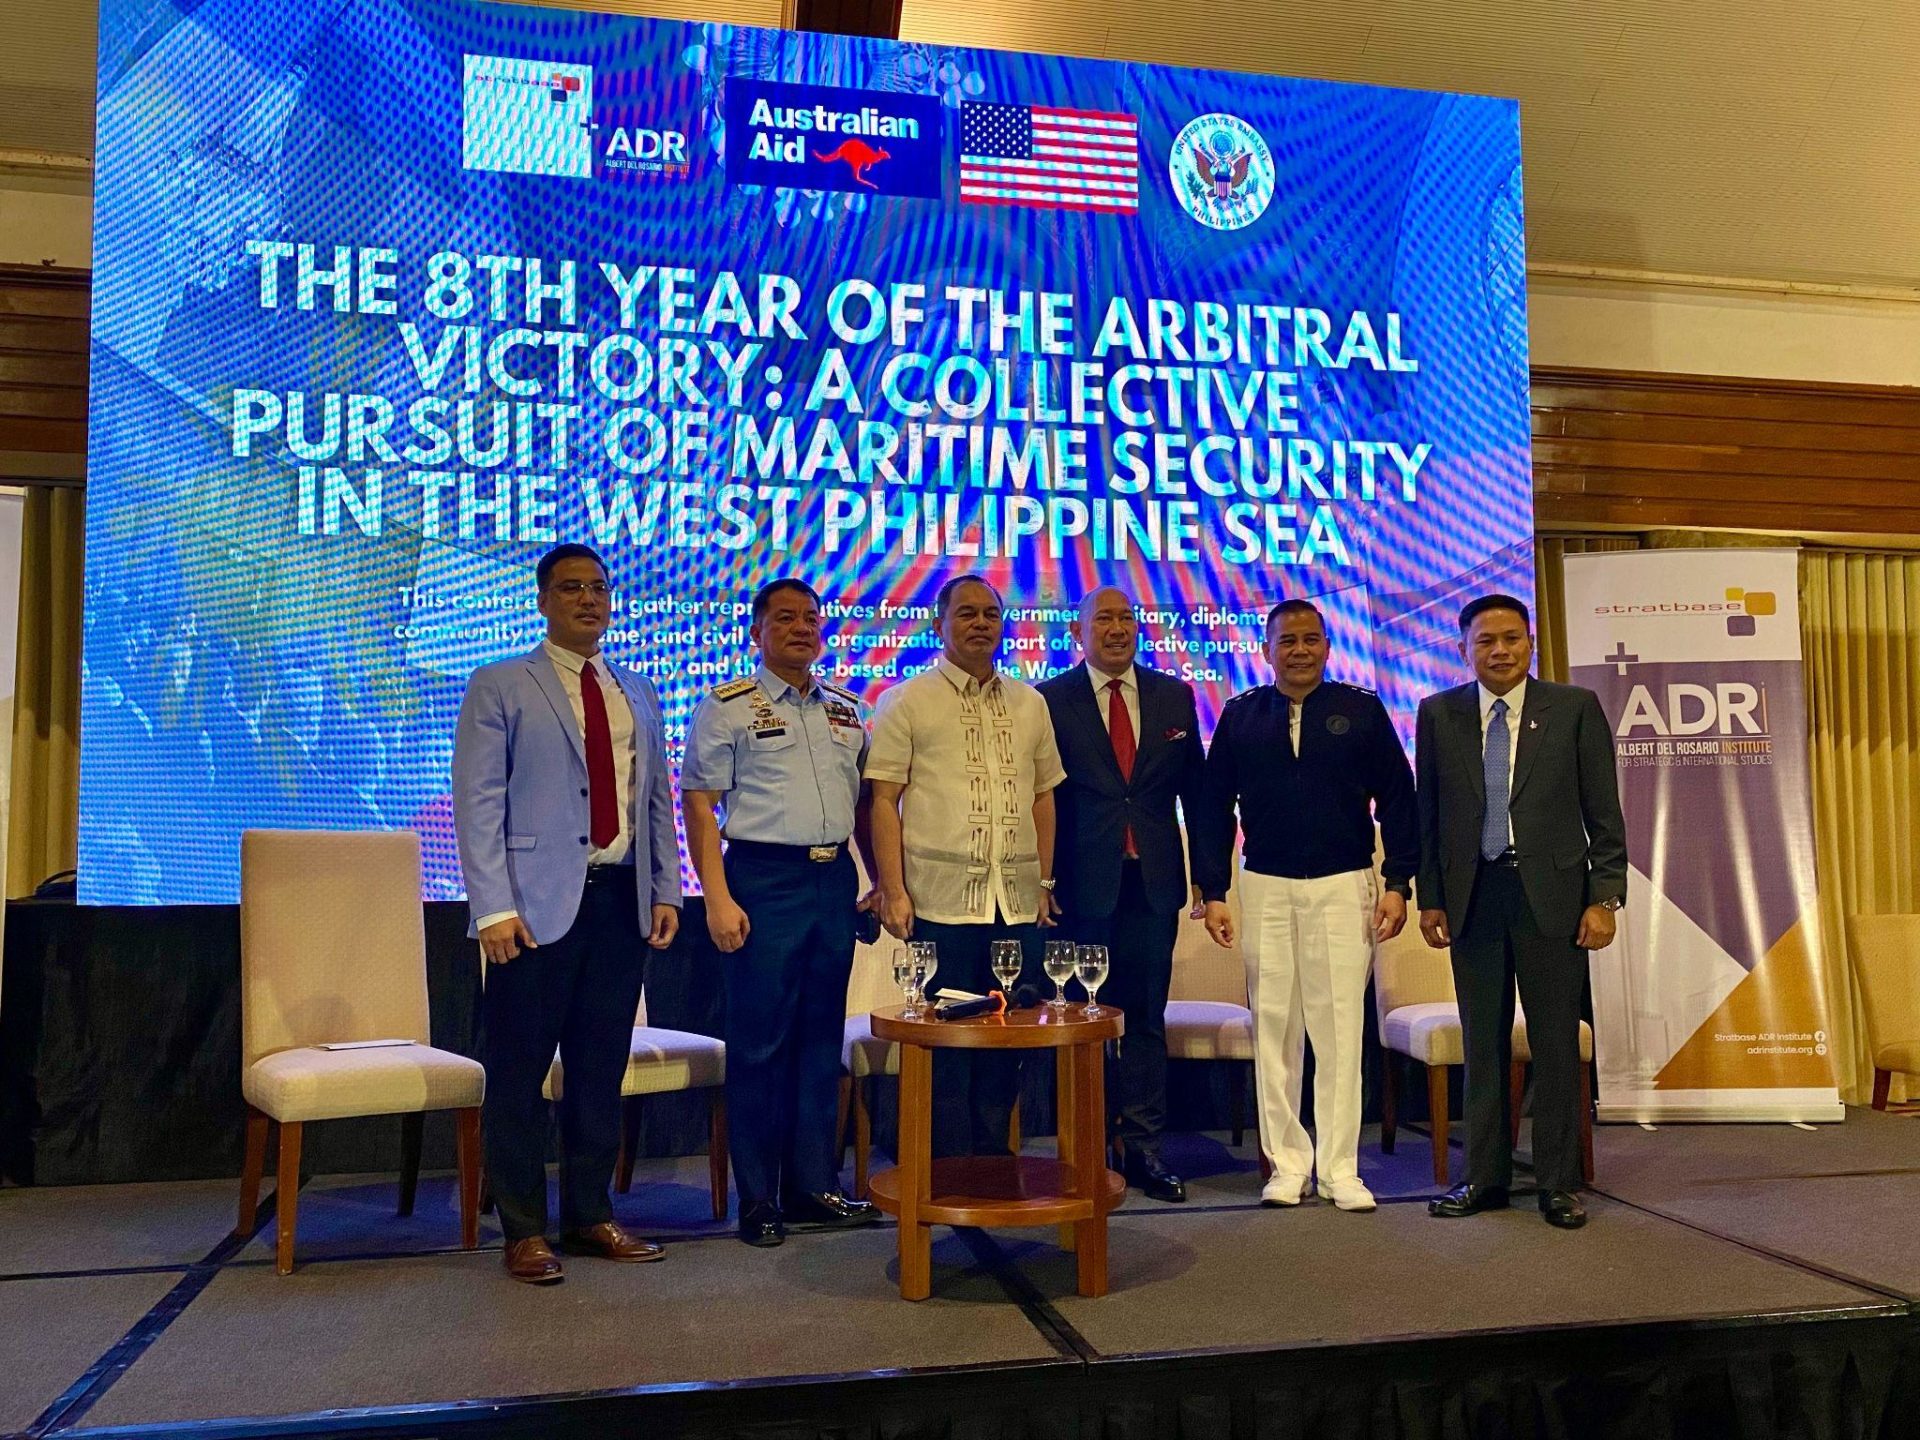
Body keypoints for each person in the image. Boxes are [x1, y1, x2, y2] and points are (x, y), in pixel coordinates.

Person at [453, 543, 682, 1284]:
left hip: (619, 904)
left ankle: (589, 1214)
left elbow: (655, 801)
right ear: (544, 601)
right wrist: (492, 907)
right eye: (572, 588)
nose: (589, 600)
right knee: (517, 1073)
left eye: (599, 588)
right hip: (531, 911)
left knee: (597, 1069)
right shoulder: (500, 684)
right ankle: (523, 1230)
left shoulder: (637, 691)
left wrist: (666, 890)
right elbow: (478, 802)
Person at [1193, 599, 1417, 1212]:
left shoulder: (1362, 710)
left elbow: (1399, 799)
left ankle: (1341, 1168)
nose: (1299, 650)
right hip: (1264, 884)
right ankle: (1287, 1164)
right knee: (1275, 1027)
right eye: (1286, 640)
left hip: (1346, 885)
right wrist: (1214, 891)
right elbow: (1214, 809)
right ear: (1266, 650)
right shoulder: (1241, 717)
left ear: (1327, 646)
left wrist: (1398, 881)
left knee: (1342, 1028)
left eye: (1310, 639)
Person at [1416, 593, 1627, 1230]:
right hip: (1474, 898)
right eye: (1486, 641)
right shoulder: (1437, 714)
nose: (1500, 651)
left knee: (1556, 1045)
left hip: (1555, 900)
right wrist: (1431, 897)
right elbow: (1430, 819)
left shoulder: (1573, 709)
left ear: (1530, 644)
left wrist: (1604, 897)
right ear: (1463, 649)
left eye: (1512, 639)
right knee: (1482, 1045)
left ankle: (1559, 1185)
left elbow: (1605, 815)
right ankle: (1484, 1177)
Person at [681, 578, 882, 1248]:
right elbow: (701, 806)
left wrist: (879, 882)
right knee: (761, 1045)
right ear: (757, 631)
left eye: (811, 618)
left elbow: (862, 809)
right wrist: (716, 895)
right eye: (786, 618)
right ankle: (759, 1198)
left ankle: (813, 1185)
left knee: (820, 1042)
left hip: (832, 882)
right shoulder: (727, 706)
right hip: (762, 881)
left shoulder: (849, 710)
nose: (802, 628)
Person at [864, 574, 1066, 1157]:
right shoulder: (907, 699)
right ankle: (946, 1172)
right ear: (939, 624)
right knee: (947, 1045)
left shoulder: (1031, 703)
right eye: (967, 613)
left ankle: (994, 1166)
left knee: (1008, 1041)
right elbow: (883, 798)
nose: (981, 623)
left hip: (1017, 903)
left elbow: (1043, 797)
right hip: (941, 903)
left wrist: (1045, 882)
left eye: (991, 614)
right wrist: (892, 888)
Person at [1038, 587, 1206, 1202]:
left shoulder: (1173, 696)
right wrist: (1041, 881)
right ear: (1078, 632)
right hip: (1078, 890)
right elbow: (1041, 797)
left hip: (1152, 885)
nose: (1117, 629)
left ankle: (1143, 1148)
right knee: (1081, 1020)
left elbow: (1200, 796)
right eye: (1103, 619)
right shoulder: (1049, 701)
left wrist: (1210, 883)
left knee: (1143, 1021)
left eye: (1127, 618)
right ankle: (1081, 1146)